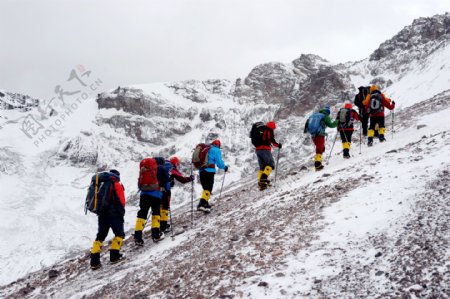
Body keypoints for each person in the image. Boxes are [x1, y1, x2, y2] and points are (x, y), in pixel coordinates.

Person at [90, 169, 126, 270]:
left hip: (102, 214)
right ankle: (114, 256)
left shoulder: (101, 183)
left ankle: (94, 262)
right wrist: (121, 212)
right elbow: (121, 201)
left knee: (100, 237)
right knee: (119, 235)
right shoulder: (116, 184)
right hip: (114, 215)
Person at [134, 157, 170, 246]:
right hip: (156, 195)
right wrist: (166, 190)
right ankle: (155, 234)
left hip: (144, 194)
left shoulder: (146, 168)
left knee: (142, 214)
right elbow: (167, 184)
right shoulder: (162, 168)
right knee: (156, 213)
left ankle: (137, 237)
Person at [160, 156, 194, 233]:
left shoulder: (161, 167)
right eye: (177, 164)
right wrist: (190, 178)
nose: (177, 165)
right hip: (166, 190)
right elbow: (182, 180)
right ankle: (163, 226)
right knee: (165, 207)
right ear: (175, 163)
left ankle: (158, 225)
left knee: (159, 207)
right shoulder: (172, 169)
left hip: (157, 190)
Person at [197, 139, 228, 213]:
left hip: (201, 171)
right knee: (208, 189)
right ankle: (201, 204)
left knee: (205, 188)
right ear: (218, 145)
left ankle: (206, 205)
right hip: (209, 171)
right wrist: (224, 167)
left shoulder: (206, 149)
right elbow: (219, 162)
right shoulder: (216, 150)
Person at [304, 106, 338, 170]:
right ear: (328, 112)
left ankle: (318, 163)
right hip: (319, 134)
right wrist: (337, 122)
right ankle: (317, 164)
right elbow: (331, 125)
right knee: (320, 149)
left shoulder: (314, 115)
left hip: (313, 135)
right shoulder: (325, 116)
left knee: (320, 147)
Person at [253, 121, 282, 191]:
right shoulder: (269, 130)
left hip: (258, 150)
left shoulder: (261, 130)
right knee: (270, 165)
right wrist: (278, 145)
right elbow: (271, 140)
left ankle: (261, 184)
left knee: (262, 168)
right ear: (272, 127)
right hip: (265, 149)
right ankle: (263, 180)